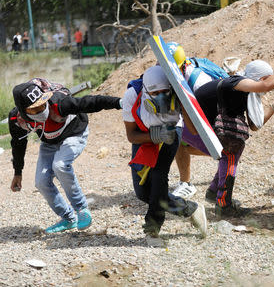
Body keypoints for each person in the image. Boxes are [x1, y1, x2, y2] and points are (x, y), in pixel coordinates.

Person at [190, 58, 274, 217]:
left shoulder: (245, 93)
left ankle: (215, 192)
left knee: (235, 144)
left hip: (202, 126)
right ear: (261, 79)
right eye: (267, 79)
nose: (266, 87)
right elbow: (265, 86)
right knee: (231, 147)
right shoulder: (236, 82)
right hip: (190, 128)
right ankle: (223, 205)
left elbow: (255, 125)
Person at [8, 78, 123, 233]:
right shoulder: (18, 120)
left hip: (74, 133)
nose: (42, 109)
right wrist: (18, 172)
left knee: (60, 165)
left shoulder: (59, 104)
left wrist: (119, 103)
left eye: (43, 104)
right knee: (41, 182)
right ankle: (68, 219)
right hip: (49, 141)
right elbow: (18, 144)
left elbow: (91, 102)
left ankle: (82, 209)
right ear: (23, 111)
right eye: (35, 109)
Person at [122, 65, 207, 241]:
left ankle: (152, 229)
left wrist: (184, 105)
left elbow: (194, 129)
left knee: (159, 176)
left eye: (164, 91)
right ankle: (190, 209)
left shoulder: (177, 94)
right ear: (146, 91)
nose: (161, 97)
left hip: (171, 131)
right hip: (143, 133)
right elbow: (131, 135)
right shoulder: (132, 95)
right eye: (155, 93)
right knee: (143, 192)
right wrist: (153, 136)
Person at [166, 42, 222, 199]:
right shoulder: (180, 69)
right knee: (175, 133)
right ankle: (185, 182)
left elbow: (213, 115)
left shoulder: (199, 82)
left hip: (217, 122)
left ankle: (225, 154)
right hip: (201, 116)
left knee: (176, 137)